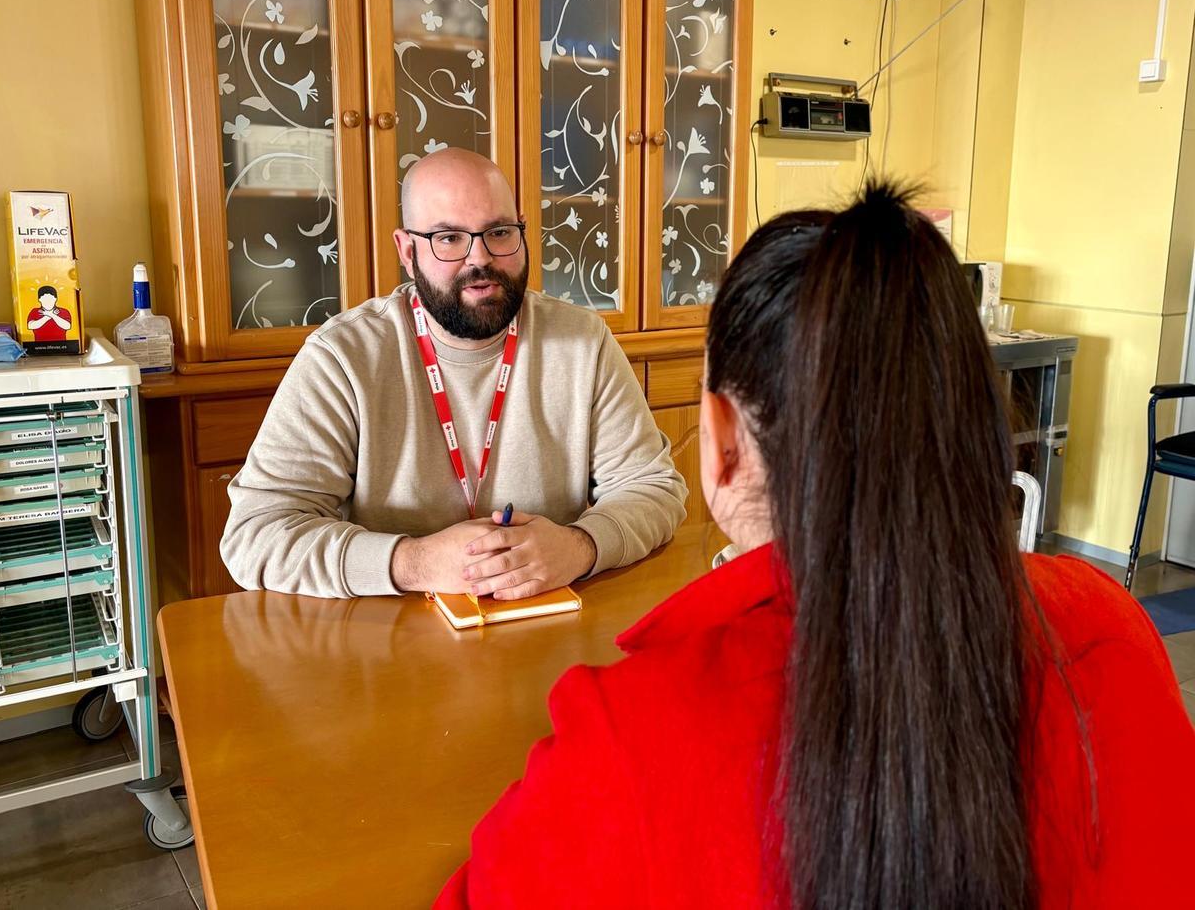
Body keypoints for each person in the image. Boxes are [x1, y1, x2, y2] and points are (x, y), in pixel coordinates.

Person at [435, 184, 1195, 908]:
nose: (479, 254)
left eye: (498, 232)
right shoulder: (1113, 626)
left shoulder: (637, 733)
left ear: (723, 438)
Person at [221, 149, 686, 599]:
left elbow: (653, 489)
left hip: (544, 618)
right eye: (448, 238)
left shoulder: (583, 341)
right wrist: (414, 562)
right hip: (390, 634)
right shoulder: (341, 357)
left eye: (499, 232)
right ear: (407, 251)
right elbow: (255, 534)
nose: (479, 258)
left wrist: (580, 546)